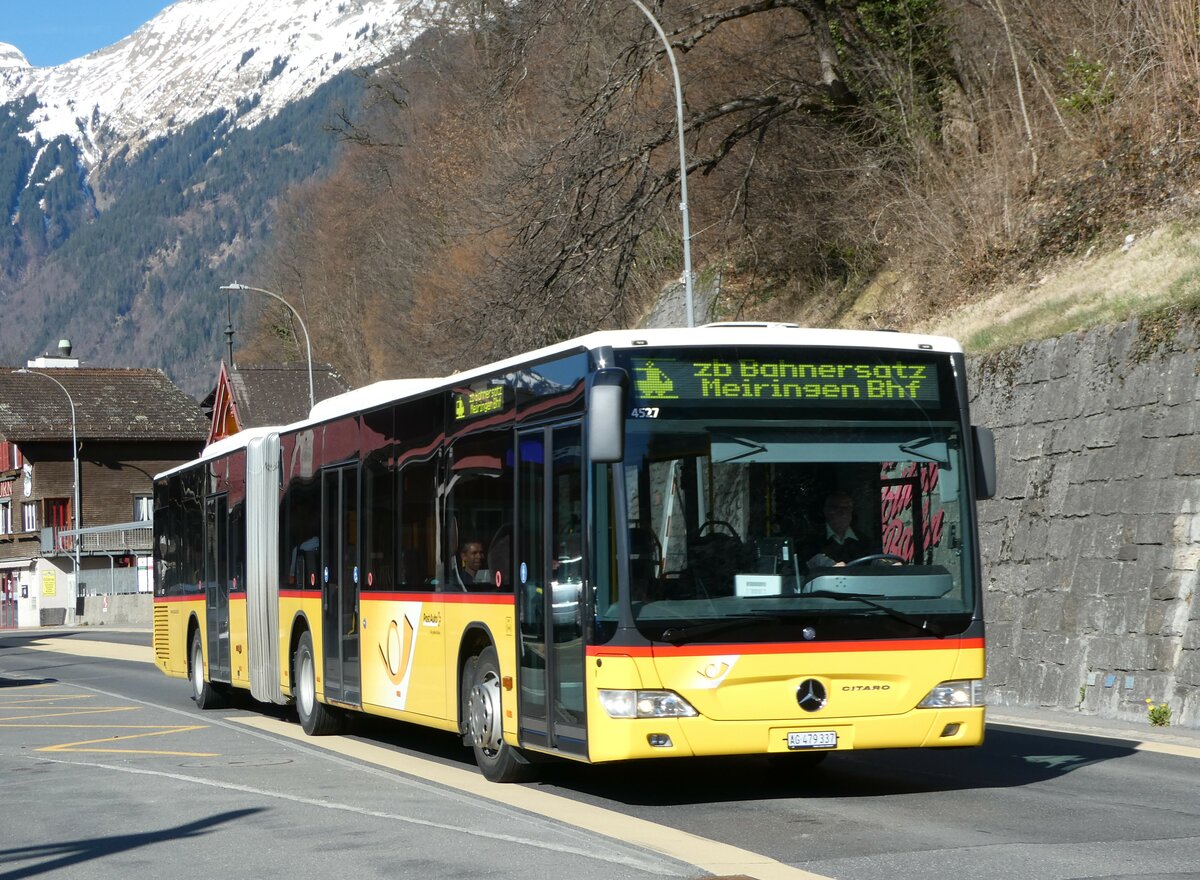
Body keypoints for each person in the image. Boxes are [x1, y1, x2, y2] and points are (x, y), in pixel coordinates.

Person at [804, 490, 872, 567]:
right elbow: (807, 561)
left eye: (846, 508)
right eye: (836, 508)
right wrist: (830, 565)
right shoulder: (812, 539)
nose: (842, 513)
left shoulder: (865, 541)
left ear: (851, 511)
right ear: (826, 511)